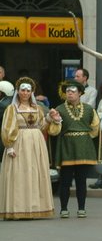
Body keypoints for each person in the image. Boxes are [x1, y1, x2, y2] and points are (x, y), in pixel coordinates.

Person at [0, 78, 58, 219]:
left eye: (28, 90)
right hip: (19, 142)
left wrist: (50, 118)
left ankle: (34, 207)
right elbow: (7, 127)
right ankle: (18, 208)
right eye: (22, 90)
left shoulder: (37, 108)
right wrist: (9, 146)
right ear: (18, 91)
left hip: (36, 143)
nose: (25, 93)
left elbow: (42, 126)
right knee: (19, 173)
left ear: (32, 92)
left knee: (35, 173)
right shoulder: (12, 108)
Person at [51, 80, 100, 218]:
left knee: (81, 180)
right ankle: (64, 209)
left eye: (73, 91)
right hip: (66, 147)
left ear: (80, 93)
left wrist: (84, 137)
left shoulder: (89, 109)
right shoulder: (59, 109)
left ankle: (81, 208)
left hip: (84, 148)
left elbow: (95, 127)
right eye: (67, 91)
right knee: (65, 180)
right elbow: (54, 131)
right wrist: (55, 121)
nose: (70, 93)